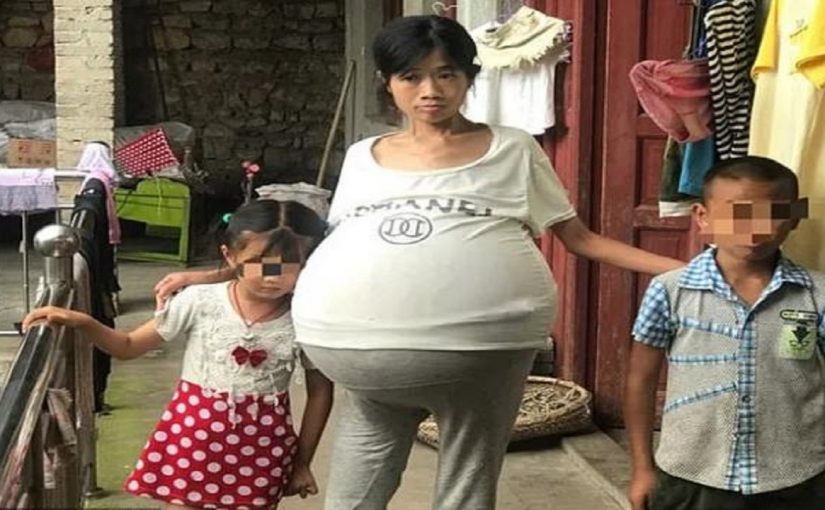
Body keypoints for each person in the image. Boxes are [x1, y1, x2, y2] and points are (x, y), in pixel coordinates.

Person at [155, 15, 683, 510]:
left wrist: (680, 268)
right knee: (356, 484)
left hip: (481, 351)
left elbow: (580, 238)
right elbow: (320, 247)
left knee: (467, 481)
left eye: (446, 74)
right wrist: (218, 274)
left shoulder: (513, 149)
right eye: (411, 77)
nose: (431, 90)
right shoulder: (363, 155)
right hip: (360, 355)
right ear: (388, 83)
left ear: (469, 77)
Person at [23, 200, 334, 510]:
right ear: (230, 255)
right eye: (259, 263)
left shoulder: (307, 316)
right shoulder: (199, 301)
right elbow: (128, 346)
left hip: (264, 450)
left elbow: (320, 392)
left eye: (289, 264)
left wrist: (302, 462)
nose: (272, 276)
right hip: (192, 441)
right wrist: (83, 322)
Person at [625, 156, 825, 510]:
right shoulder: (670, 291)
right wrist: (642, 468)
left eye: (772, 214)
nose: (755, 229)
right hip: (693, 473)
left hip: (795, 476)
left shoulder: (816, 294)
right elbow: (640, 380)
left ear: (794, 217)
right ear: (702, 216)